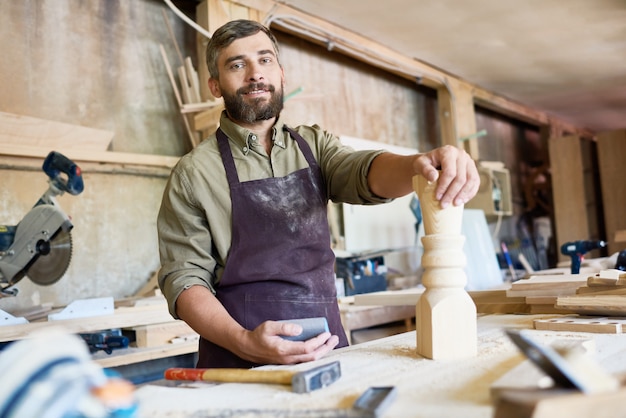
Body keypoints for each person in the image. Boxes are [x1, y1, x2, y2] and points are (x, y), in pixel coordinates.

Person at [157, 19, 480, 369]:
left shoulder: (314, 146)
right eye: (237, 65)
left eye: (265, 60)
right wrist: (245, 343)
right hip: (239, 362)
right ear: (215, 85)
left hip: (325, 348)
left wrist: (419, 165)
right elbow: (185, 280)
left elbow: (363, 171)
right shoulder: (193, 174)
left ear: (281, 74)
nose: (255, 74)